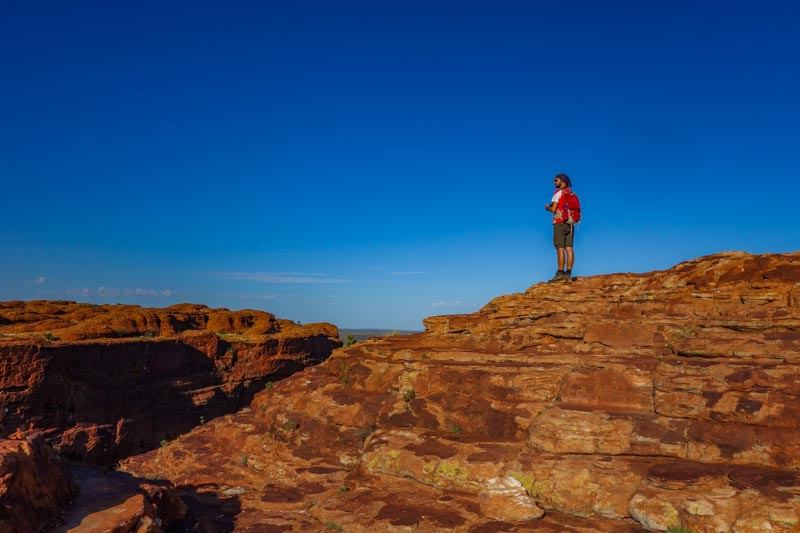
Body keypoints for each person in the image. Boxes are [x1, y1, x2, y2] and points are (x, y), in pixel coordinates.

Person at [545, 173, 575, 282]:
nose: (554, 182)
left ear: (562, 181)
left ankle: (560, 273)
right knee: (569, 248)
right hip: (570, 223)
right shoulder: (571, 193)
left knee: (560, 248)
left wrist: (547, 207)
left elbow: (554, 209)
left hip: (559, 222)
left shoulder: (558, 193)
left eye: (556, 180)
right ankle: (568, 274)